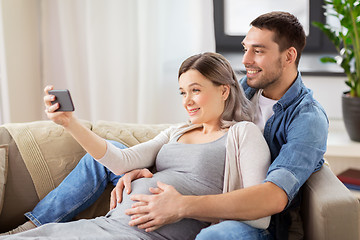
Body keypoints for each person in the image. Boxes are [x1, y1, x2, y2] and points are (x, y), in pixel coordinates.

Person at [0, 52, 271, 239]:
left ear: (223, 90)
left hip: (138, 234)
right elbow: (120, 161)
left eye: (196, 90)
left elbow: (259, 212)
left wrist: (183, 205)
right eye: (182, 92)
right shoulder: (176, 131)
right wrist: (70, 123)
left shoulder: (242, 134)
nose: (187, 101)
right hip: (107, 224)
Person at [118, 11, 329, 240]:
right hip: (206, 193)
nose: (246, 60)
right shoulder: (242, 89)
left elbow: (274, 197)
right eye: (245, 49)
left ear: (289, 56)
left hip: (255, 223)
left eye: (257, 51)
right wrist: (151, 168)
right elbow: (196, 134)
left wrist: (182, 205)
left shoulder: (308, 119)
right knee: (105, 155)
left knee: (213, 236)